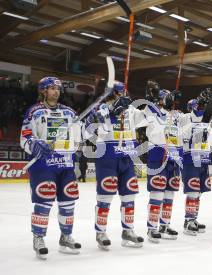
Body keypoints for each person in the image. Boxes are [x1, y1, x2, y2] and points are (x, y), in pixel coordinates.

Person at [20, 76, 81, 259]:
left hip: (66, 162)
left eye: (58, 88)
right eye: (52, 88)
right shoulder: (34, 112)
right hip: (43, 164)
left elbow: (79, 136)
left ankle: (66, 236)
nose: (56, 91)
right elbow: (25, 137)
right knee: (44, 201)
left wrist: (90, 123)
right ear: (43, 91)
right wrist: (36, 144)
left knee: (68, 202)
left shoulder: (69, 113)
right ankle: (38, 237)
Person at [84, 81, 145, 250]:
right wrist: (97, 117)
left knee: (129, 197)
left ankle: (128, 230)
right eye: (121, 94)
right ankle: (101, 232)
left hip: (127, 158)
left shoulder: (131, 110)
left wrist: (150, 99)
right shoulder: (100, 109)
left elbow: (149, 118)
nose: (124, 97)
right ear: (112, 94)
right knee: (105, 197)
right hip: (107, 157)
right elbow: (86, 132)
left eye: (125, 93)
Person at [143, 81, 183, 242]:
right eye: (166, 98)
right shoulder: (153, 112)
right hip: (158, 154)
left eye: (170, 98)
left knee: (169, 194)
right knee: (157, 193)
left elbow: (193, 119)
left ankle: (164, 225)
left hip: (174, 155)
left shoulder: (176, 115)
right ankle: (152, 228)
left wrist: (200, 106)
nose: (169, 100)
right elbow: (146, 114)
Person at [180, 90, 212, 235]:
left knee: (199, 192)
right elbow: (183, 137)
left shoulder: (204, 124)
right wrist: (195, 136)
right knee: (193, 191)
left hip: (203, 160)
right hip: (190, 160)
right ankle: (188, 220)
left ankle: (193, 218)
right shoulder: (184, 119)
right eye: (197, 107)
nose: (199, 110)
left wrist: (207, 137)